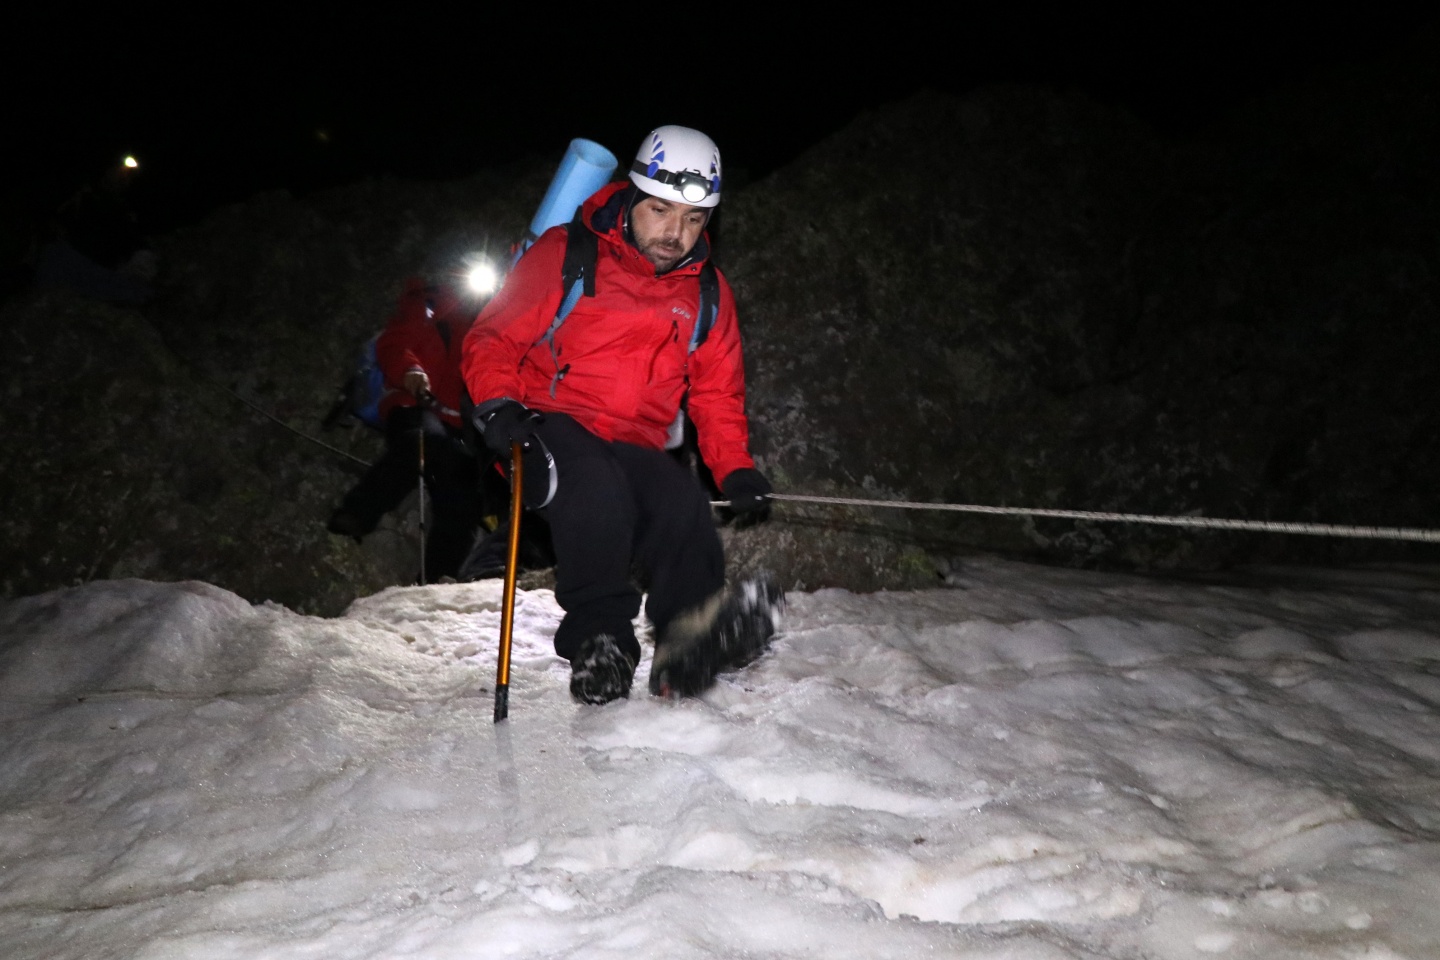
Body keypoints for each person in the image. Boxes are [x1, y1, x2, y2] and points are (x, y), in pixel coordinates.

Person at [462, 124, 781, 705]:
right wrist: (498, 406)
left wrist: (734, 468)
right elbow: (492, 340)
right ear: (633, 195)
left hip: (631, 443)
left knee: (678, 498)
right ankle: (601, 640)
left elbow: (716, 393)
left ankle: (690, 639)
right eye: (661, 210)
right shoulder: (565, 254)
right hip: (541, 431)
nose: (675, 232)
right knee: (594, 483)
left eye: (693, 219)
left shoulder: (706, 292)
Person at [328, 277, 489, 580]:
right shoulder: (428, 303)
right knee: (423, 442)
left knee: (465, 497)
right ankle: (357, 514)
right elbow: (395, 343)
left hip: (456, 423)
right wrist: (411, 370)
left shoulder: (484, 326)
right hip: (413, 402)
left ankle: (438, 581)